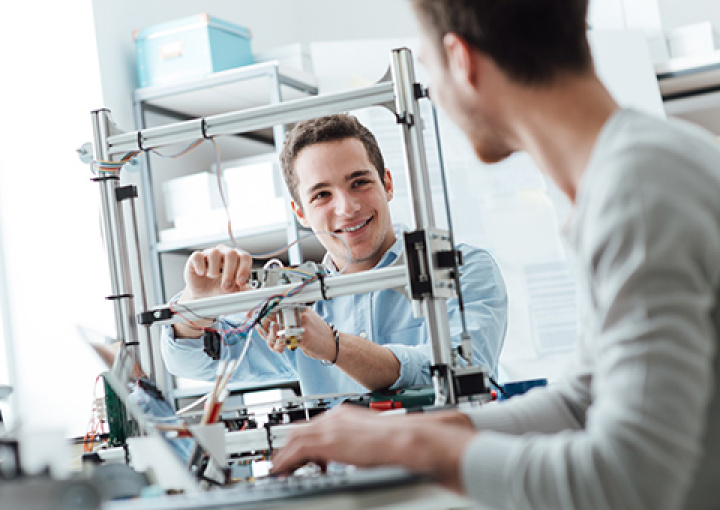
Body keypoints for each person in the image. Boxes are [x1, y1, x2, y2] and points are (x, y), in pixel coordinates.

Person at [270, 2, 720, 510]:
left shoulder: (636, 192)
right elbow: (579, 402)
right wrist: (432, 427)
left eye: (427, 67)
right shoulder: (631, 170)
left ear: (461, 60)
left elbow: (628, 482)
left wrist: (410, 443)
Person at [161, 113, 508, 397]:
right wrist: (197, 307)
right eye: (322, 195)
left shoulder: (461, 268)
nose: (348, 208)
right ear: (300, 213)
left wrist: (332, 345)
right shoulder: (298, 302)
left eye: (359, 182)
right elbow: (194, 363)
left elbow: (462, 371)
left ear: (387, 184)